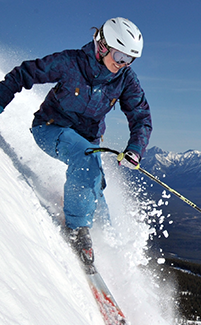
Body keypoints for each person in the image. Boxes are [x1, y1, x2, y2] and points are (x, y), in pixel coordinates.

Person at [0, 17, 152, 270]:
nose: (122, 64)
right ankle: (77, 230)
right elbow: (24, 73)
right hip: (50, 127)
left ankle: (107, 246)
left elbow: (141, 117)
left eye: (129, 59)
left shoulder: (125, 79)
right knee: (86, 157)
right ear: (102, 45)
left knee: (97, 192)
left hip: (88, 142)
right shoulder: (70, 62)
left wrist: (135, 149)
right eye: (119, 55)